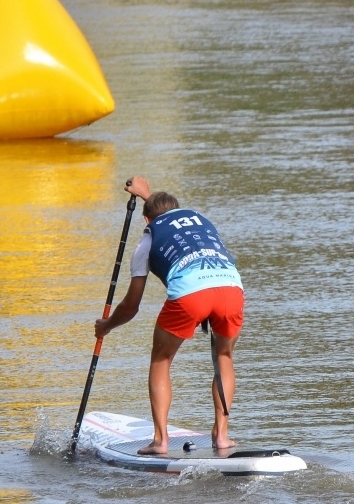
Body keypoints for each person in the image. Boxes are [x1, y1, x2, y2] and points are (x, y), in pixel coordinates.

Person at [93, 176, 245, 455]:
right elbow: (163, 212)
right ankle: (222, 436)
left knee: (161, 360)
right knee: (224, 356)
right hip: (230, 288)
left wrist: (107, 326)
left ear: (146, 220)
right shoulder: (197, 219)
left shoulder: (147, 241)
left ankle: (160, 440)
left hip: (191, 294)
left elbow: (131, 306)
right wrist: (145, 195)